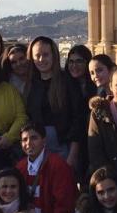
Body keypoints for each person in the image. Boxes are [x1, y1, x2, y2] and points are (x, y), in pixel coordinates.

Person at [25, 36, 84, 166]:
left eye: (45, 55)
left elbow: (77, 118)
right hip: (38, 150)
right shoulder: (31, 85)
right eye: (37, 55)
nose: (41, 59)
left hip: (64, 148)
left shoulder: (67, 82)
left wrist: (73, 155)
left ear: (54, 56)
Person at [16, 122, 77, 213]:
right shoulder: (20, 167)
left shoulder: (59, 166)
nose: (28, 143)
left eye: (34, 138)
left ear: (44, 141)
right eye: (24, 140)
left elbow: (64, 207)